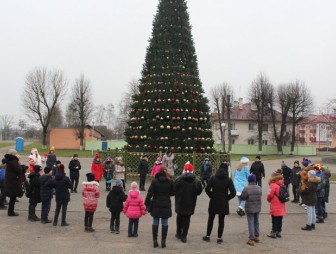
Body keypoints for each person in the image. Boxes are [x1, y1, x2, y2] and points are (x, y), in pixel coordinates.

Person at [202, 163, 236, 244]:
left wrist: (211, 196)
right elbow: (233, 193)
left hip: (214, 201)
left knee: (211, 219)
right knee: (221, 220)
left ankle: (208, 236)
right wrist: (227, 198)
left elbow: (207, 189)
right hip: (223, 202)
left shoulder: (213, 178)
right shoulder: (228, 180)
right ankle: (219, 238)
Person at [145, 167, 174, 248]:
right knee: (165, 222)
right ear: (166, 172)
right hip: (166, 203)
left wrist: (146, 203)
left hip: (156, 203)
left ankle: (155, 240)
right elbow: (173, 192)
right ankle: (163, 241)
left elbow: (150, 193)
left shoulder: (154, 181)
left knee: (155, 222)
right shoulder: (169, 181)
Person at [174, 162, 202, 243]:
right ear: (192, 170)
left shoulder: (178, 179)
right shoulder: (196, 181)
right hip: (190, 202)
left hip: (180, 201)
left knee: (179, 217)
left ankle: (178, 233)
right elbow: (199, 192)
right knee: (187, 219)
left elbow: (174, 189)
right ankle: (184, 236)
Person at [240, 174, 262, 246]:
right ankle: (257, 236)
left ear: (248, 180)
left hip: (249, 207)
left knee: (251, 222)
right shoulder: (259, 187)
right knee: (256, 222)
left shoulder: (246, 188)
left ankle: (251, 238)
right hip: (257, 207)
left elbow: (243, 197)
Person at [266, 169, 286, 239]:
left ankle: (274, 232)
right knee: (280, 218)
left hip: (275, 203)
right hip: (281, 203)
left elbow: (270, 195)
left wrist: (268, 199)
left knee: (274, 219)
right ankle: (279, 231)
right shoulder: (282, 184)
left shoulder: (273, 185)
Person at [3, 149, 23, 216]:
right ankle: (11, 212)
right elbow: (19, 170)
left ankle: (10, 211)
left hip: (10, 181)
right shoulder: (13, 161)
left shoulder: (8, 160)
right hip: (13, 181)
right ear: (13, 154)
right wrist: (22, 168)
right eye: (16, 153)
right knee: (13, 197)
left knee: (12, 197)